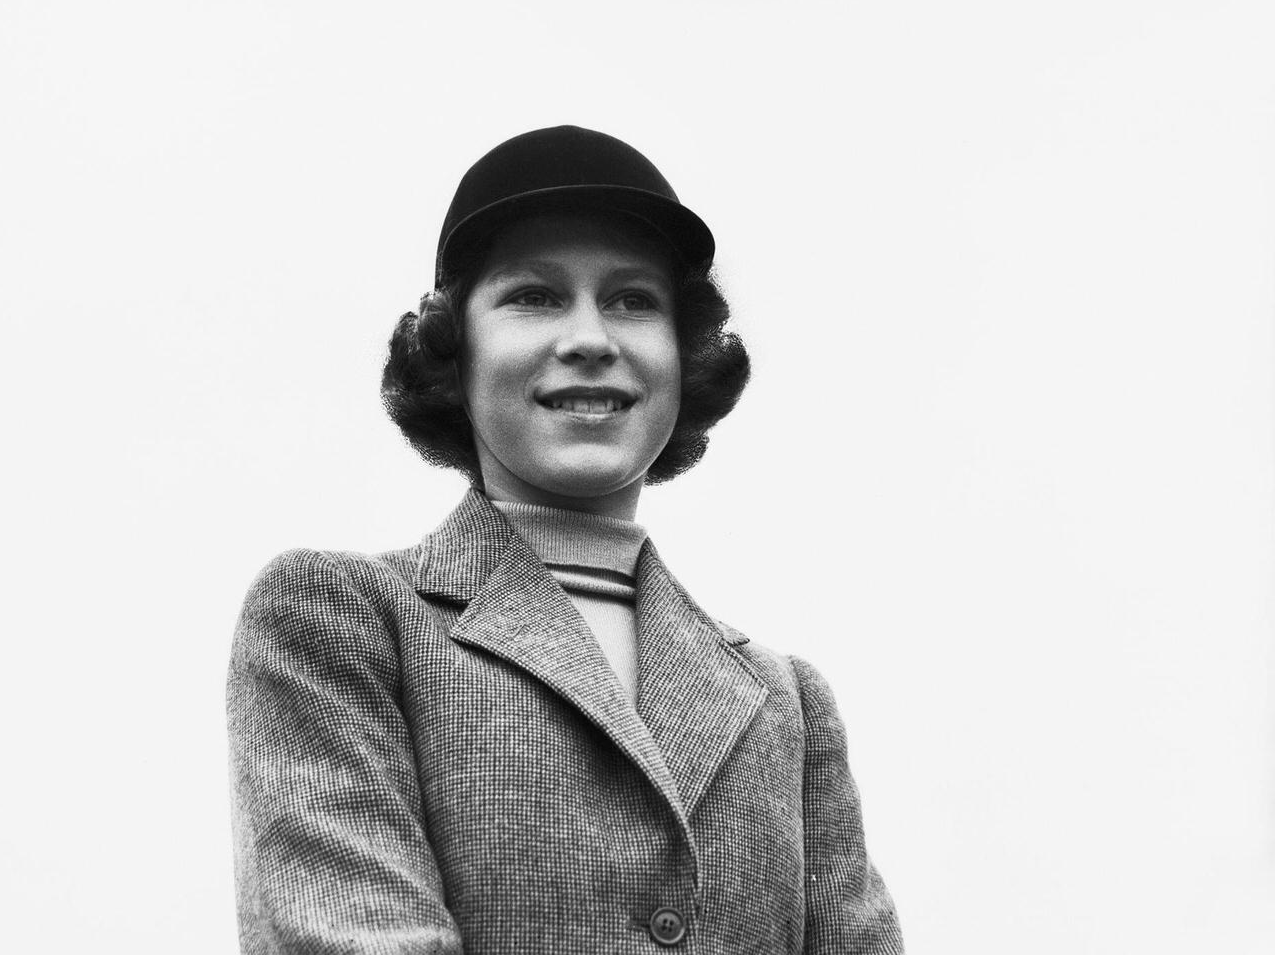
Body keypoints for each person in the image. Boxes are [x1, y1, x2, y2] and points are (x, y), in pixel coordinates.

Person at [227, 125, 903, 954]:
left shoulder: (788, 700)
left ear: (683, 357)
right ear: (455, 350)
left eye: (633, 299)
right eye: (534, 295)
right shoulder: (341, 619)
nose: (591, 337)